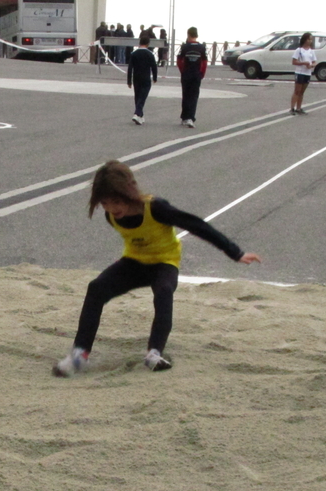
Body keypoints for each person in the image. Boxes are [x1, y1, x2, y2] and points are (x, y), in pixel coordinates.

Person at [53, 160, 261, 377]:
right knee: (96, 288)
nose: (112, 209)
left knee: (163, 291)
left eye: (116, 201)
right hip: (134, 263)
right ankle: (79, 355)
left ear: (129, 192)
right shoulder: (111, 216)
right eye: (104, 203)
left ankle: (154, 352)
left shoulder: (156, 208)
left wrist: (235, 252)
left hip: (164, 263)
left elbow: (196, 225)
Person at [177, 26, 207, 128]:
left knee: (185, 95)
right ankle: (190, 117)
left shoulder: (185, 47)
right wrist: (202, 73)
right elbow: (204, 62)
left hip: (186, 74)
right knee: (194, 96)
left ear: (188, 34)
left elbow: (179, 61)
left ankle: (185, 117)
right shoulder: (201, 47)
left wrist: (183, 71)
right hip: (196, 75)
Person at [127, 34, 157, 125]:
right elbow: (154, 67)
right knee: (143, 97)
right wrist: (155, 77)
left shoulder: (134, 54)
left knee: (137, 96)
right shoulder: (150, 54)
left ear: (139, 43)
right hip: (146, 78)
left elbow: (130, 68)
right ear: (148, 44)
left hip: (136, 78)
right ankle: (136, 114)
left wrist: (129, 80)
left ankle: (140, 115)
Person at [290, 32, 316, 116]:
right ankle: (292, 108)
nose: (310, 41)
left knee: (302, 92)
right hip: (300, 72)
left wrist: (312, 65)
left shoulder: (311, 51)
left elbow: (314, 61)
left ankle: (299, 108)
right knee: (297, 91)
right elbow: (294, 61)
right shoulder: (299, 50)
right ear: (305, 39)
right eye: (308, 39)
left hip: (307, 73)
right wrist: (303, 63)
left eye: (311, 39)